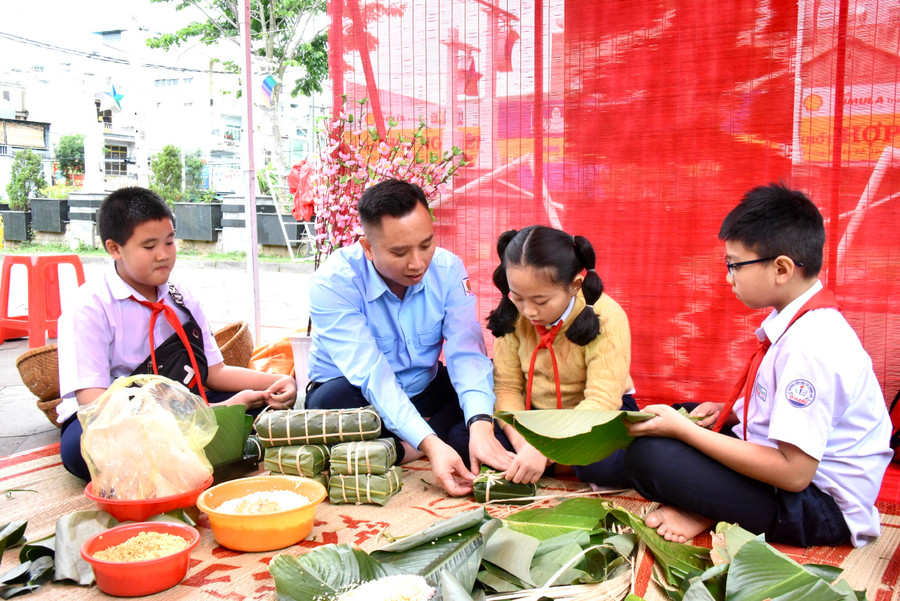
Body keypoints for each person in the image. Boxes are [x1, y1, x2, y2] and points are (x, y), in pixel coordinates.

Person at [624, 183, 892, 548]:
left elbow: (795, 474)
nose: (728, 277)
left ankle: (709, 508)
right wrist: (727, 414)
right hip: (791, 480)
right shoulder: (797, 322)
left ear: (781, 268)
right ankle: (711, 505)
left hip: (821, 507)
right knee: (678, 415)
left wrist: (687, 433)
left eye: (735, 265)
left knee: (651, 454)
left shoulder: (812, 345)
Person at [57, 187, 297, 481]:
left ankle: (194, 438)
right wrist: (207, 413)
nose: (164, 255)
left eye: (169, 242)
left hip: (184, 399)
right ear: (114, 248)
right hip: (121, 415)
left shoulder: (180, 296)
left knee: (265, 402)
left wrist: (280, 381)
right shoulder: (89, 307)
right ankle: (205, 435)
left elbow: (213, 371)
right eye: (149, 246)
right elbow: (95, 403)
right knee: (80, 450)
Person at [305, 178, 511, 496]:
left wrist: (481, 424)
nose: (417, 263)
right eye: (400, 252)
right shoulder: (333, 283)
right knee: (330, 406)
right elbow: (374, 377)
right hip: (358, 396)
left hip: (422, 387)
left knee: (487, 378)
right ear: (368, 248)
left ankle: (401, 445)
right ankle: (423, 440)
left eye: (426, 245)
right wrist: (430, 444)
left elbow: (465, 354)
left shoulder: (448, 269)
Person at [487, 225, 636, 488]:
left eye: (541, 301)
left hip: (596, 417)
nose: (529, 311)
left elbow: (602, 401)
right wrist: (526, 445)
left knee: (612, 462)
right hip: (533, 419)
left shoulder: (608, 316)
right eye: (518, 297)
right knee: (468, 438)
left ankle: (550, 465)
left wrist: (547, 450)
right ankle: (559, 465)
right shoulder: (513, 314)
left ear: (575, 285)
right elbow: (508, 388)